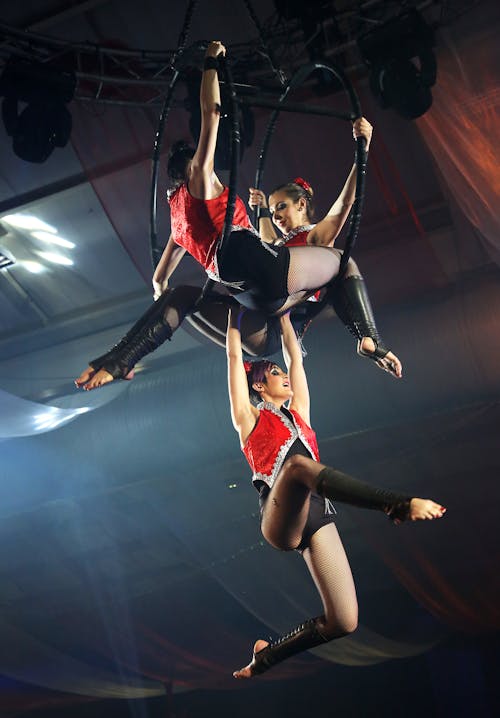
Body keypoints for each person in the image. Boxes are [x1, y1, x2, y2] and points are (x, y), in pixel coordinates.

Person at [75, 40, 355, 390]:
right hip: (264, 292)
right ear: (194, 167)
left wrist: (169, 298)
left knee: (182, 297)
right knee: (341, 262)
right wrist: (211, 62)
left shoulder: (178, 217)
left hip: (251, 317)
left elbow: (160, 283)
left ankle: (118, 360)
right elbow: (211, 115)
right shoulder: (202, 179)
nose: (218, 177)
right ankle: (368, 336)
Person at [226, 306, 445, 677]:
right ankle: (395, 505)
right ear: (259, 385)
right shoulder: (248, 419)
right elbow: (233, 355)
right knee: (296, 467)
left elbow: (295, 355)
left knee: (344, 621)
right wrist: (234, 311)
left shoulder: (302, 414)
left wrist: (283, 311)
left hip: (317, 513)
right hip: (279, 518)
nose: (285, 374)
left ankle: (265, 658)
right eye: (275, 373)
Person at [248, 118, 402, 377]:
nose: (276, 216)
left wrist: (361, 154)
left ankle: (368, 337)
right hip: (275, 305)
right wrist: (263, 209)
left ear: (301, 205)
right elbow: (267, 239)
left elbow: (345, 203)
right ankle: (367, 338)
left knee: (340, 262)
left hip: (294, 305)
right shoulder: (280, 244)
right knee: (267, 250)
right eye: (274, 212)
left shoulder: (315, 236)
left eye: (282, 207)